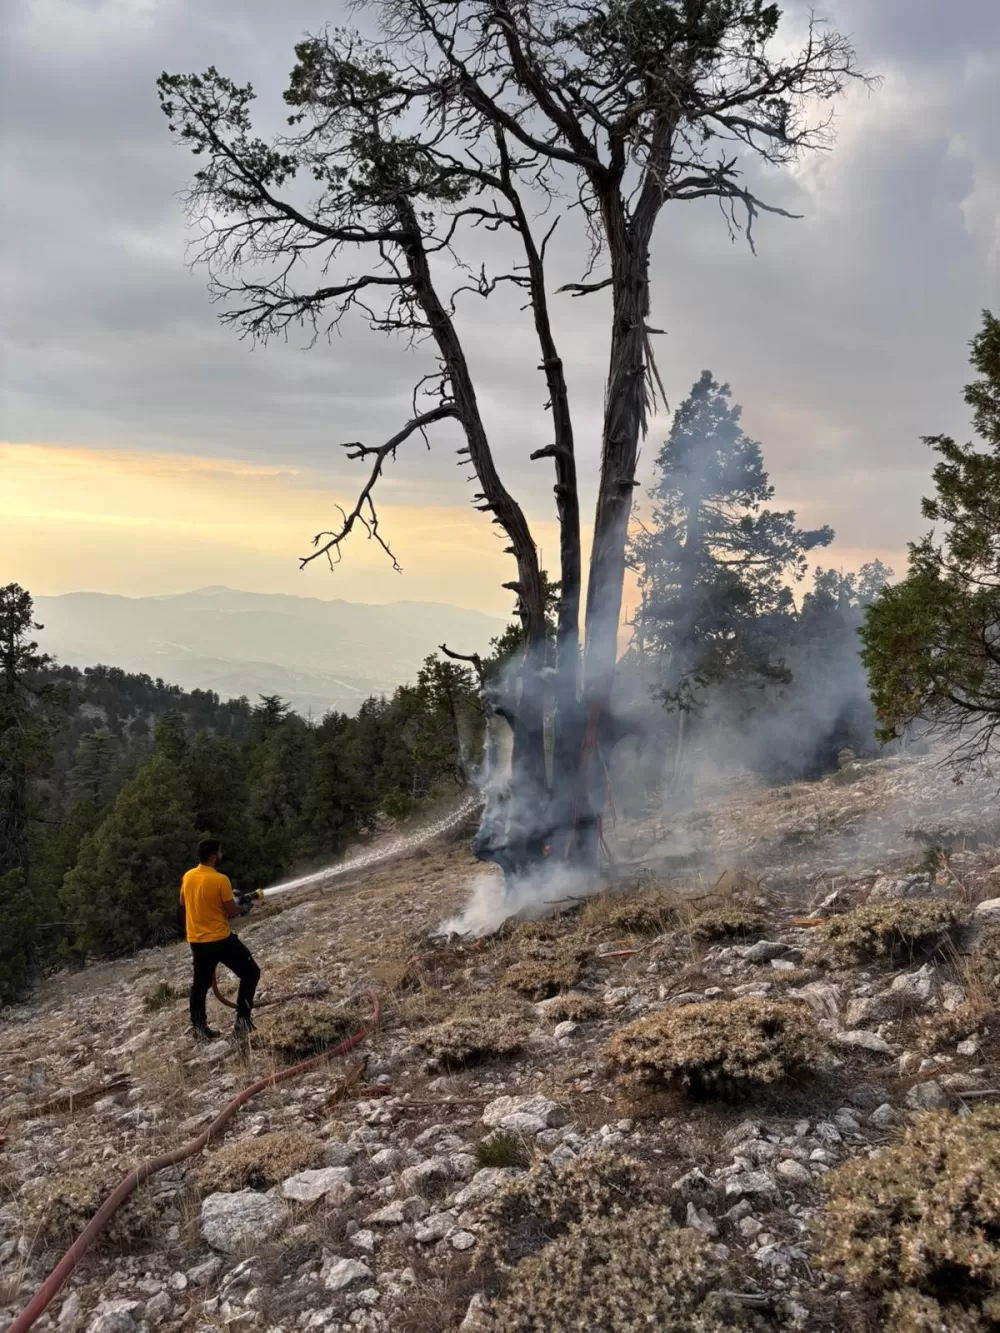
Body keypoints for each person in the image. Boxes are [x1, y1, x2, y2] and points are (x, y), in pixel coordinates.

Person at [180, 838, 260, 1041]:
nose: (223, 855)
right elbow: (232, 912)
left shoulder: (188, 876)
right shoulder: (220, 880)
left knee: (200, 985)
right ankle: (242, 1023)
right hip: (219, 940)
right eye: (220, 852)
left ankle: (199, 1029)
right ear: (213, 857)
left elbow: (183, 901)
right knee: (251, 973)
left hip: (197, 941)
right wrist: (244, 906)